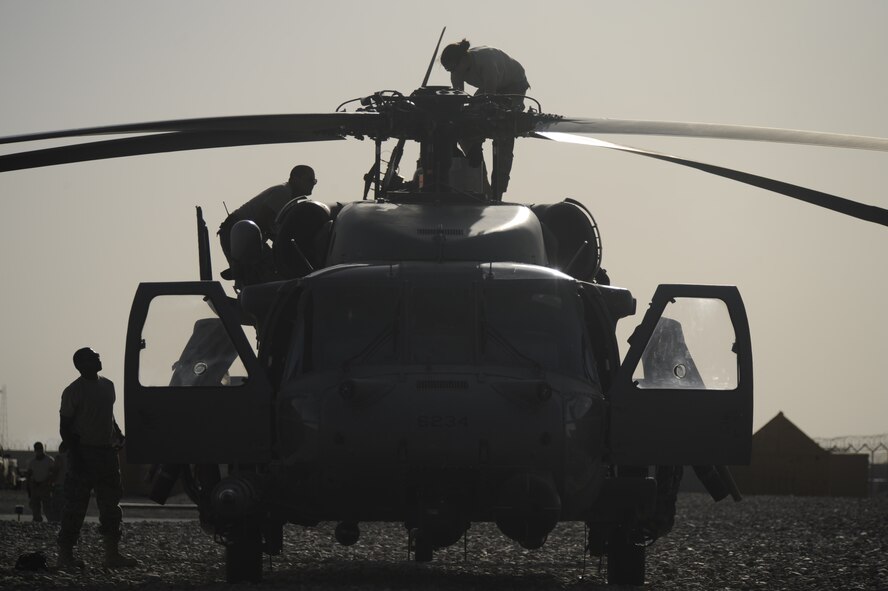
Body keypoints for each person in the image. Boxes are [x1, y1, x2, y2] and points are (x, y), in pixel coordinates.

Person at [57, 347, 137, 569]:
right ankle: (65, 557)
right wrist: (77, 456)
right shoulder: (73, 391)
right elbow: (65, 428)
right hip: (83, 453)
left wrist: (118, 434)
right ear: (81, 364)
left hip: (106, 454)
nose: (98, 357)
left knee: (111, 506)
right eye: (93, 356)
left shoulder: (108, 385)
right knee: (75, 507)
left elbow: (108, 416)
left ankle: (112, 555)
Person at [441, 39, 530, 199]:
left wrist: (477, 139)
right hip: (490, 87)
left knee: (503, 127)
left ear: (463, 60)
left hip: (513, 84)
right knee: (465, 127)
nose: (453, 73)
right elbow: (459, 103)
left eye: (453, 68)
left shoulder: (487, 63)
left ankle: (498, 192)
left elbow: (490, 103)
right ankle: (483, 184)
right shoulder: (456, 72)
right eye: (449, 70)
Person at [218, 164, 317, 267]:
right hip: (236, 233)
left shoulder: (291, 200)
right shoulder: (283, 193)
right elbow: (261, 221)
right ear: (295, 179)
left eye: (314, 181)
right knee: (268, 266)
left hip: (243, 233)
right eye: (310, 180)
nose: (313, 184)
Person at [25, 441, 56, 522]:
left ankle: (51, 521)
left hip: (45, 486)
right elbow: (29, 474)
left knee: (47, 507)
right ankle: (37, 520)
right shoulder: (32, 462)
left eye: (40, 449)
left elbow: (53, 473)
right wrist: (28, 487)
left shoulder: (49, 460)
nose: (38, 451)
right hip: (35, 486)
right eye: (37, 449)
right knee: (35, 506)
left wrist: (48, 483)